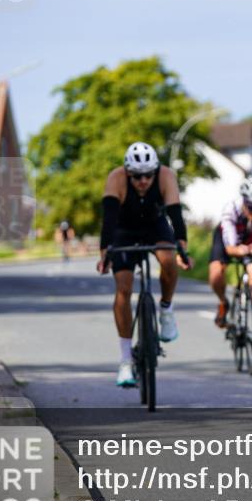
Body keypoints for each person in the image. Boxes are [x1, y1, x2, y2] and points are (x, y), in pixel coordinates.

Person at [96, 142, 193, 387]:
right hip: (124, 230)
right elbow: (108, 220)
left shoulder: (166, 176)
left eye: (148, 175)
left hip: (155, 226)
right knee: (123, 289)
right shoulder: (116, 178)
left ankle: (166, 310)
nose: (143, 181)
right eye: (137, 176)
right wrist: (105, 253)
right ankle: (125, 361)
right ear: (128, 172)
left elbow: (175, 215)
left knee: (169, 259)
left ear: (155, 171)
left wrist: (182, 250)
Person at [208, 176, 252, 354]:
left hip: (250, 241)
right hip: (227, 240)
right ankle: (223, 303)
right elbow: (230, 248)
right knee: (216, 273)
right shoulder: (230, 210)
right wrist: (239, 250)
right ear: (244, 202)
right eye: (251, 207)